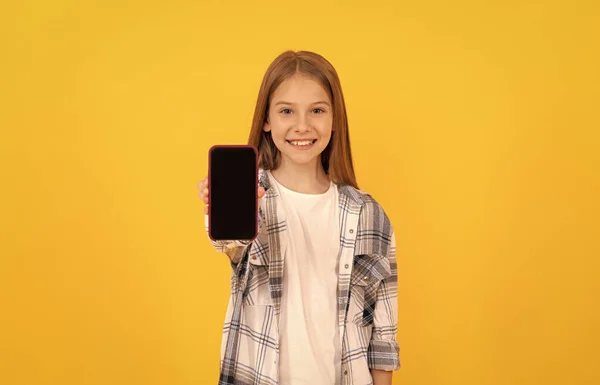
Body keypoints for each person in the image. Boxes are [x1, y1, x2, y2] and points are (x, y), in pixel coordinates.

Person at [197, 50, 399, 385]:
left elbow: (383, 338)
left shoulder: (369, 214)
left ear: (335, 119)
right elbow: (231, 245)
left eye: (317, 110)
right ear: (267, 120)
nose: (302, 126)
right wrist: (220, 205)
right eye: (287, 111)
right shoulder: (252, 198)